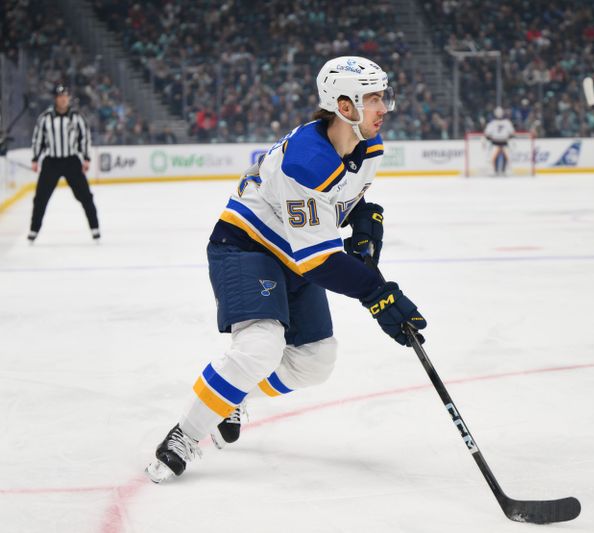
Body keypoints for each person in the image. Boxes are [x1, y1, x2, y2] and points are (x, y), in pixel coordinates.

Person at [145, 56, 427, 483]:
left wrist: (364, 218)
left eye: (384, 96)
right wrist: (376, 291)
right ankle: (185, 435)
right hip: (245, 245)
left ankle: (231, 395)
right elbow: (318, 261)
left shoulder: (369, 147)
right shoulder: (306, 162)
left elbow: (341, 200)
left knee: (316, 360)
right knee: (261, 345)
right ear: (345, 107)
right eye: (373, 99)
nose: (384, 107)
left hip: (291, 251)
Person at [28, 84, 99, 242]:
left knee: (86, 196)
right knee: (40, 198)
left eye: (65, 96)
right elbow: (37, 139)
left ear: (68, 98)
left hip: (71, 161)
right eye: (60, 96)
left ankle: (95, 228)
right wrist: (35, 159)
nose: (63, 99)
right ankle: (34, 230)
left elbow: (84, 138)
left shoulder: (77, 117)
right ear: (55, 98)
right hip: (51, 162)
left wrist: (86, 158)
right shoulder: (45, 117)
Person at [484, 106, 515, 176]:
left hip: (503, 143)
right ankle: (494, 171)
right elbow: (512, 133)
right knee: (490, 158)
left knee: (508, 158)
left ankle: (504, 171)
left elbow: (487, 134)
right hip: (496, 143)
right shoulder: (505, 122)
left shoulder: (494, 123)